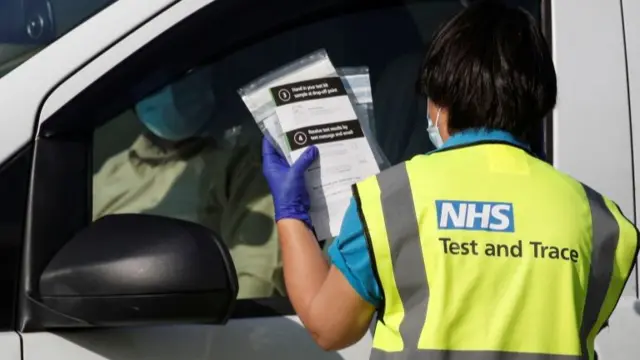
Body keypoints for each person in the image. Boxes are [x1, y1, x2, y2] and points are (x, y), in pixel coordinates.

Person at [261, 1, 639, 359]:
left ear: (440, 100)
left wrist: (291, 211)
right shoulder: (602, 221)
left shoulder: (390, 202)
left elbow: (329, 327)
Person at [93, 66, 284, 300]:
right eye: (153, 79)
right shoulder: (109, 175)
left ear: (208, 75)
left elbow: (257, 282)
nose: (171, 91)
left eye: (183, 73)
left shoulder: (245, 161)